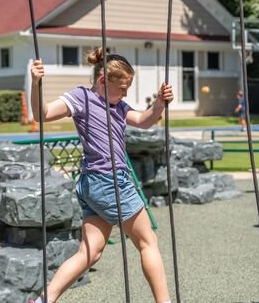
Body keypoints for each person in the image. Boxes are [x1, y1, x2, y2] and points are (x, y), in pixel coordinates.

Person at [29, 47, 173, 303]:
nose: (125, 94)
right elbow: (43, 114)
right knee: (148, 242)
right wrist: (37, 83)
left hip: (91, 185)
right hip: (109, 182)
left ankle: (44, 299)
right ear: (103, 80)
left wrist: (159, 104)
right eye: (122, 88)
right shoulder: (81, 97)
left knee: (90, 251)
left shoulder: (116, 105)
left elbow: (142, 120)